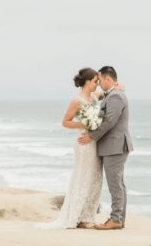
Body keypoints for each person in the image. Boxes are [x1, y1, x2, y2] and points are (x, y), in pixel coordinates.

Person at [36, 68, 105, 230]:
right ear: (87, 82)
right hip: (83, 143)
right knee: (83, 177)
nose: (97, 84)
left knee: (95, 178)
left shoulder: (95, 96)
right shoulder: (77, 101)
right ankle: (77, 216)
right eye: (95, 81)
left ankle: (88, 215)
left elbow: (106, 93)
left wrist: (117, 86)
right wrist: (84, 124)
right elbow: (65, 122)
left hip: (94, 143)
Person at [78, 65, 133, 230]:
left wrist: (91, 136)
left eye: (100, 80)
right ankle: (119, 218)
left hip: (114, 147)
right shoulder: (113, 94)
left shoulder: (116, 97)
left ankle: (116, 219)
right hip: (113, 146)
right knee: (118, 184)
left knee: (115, 184)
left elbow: (109, 122)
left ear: (108, 79)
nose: (99, 83)